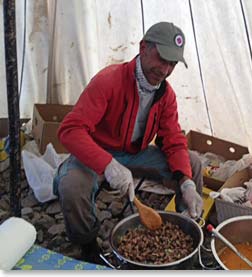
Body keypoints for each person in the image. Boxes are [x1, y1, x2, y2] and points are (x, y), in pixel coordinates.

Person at [53, 22, 204, 263]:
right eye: (162, 59)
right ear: (143, 47)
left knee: (192, 163)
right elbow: (70, 131)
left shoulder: (166, 94)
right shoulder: (109, 81)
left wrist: (186, 183)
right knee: (72, 185)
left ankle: (186, 225)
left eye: (172, 64)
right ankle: (87, 244)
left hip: (135, 154)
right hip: (97, 152)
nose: (165, 70)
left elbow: (173, 141)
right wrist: (107, 164)